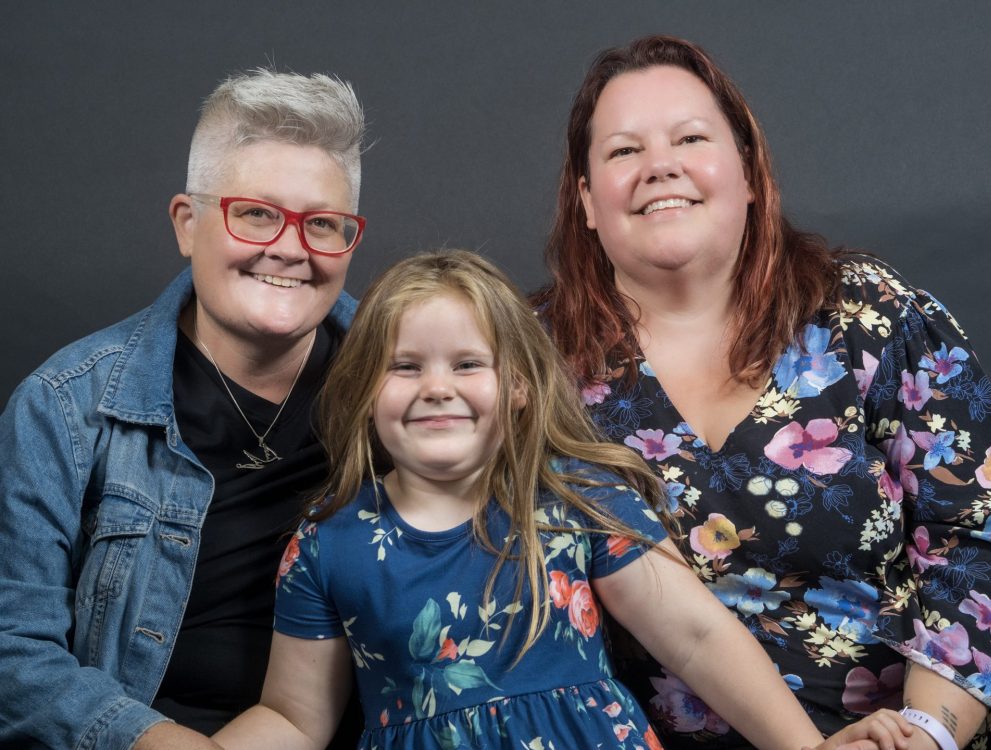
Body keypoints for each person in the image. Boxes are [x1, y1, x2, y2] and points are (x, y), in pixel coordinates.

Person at [212, 249, 911, 750]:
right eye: (404, 367)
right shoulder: (329, 541)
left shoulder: (574, 498)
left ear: (518, 387)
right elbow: (296, 718)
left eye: (466, 364)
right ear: (365, 391)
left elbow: (697, 638)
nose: (437, 387)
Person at [533, 34, 991, 749]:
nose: (660, 166)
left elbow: (978, 537)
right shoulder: (525, 361)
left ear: (750, 173)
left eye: (690, 137)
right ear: (587, 201)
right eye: (624, 151)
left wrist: (926, 733)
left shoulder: (868, 316)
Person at [0, 70, 367, 748]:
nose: (289, 249)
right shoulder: (64, 408)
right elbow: (12, 652)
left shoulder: (404, 389)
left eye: (321, 224)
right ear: (187, 224)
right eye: (255, 213)